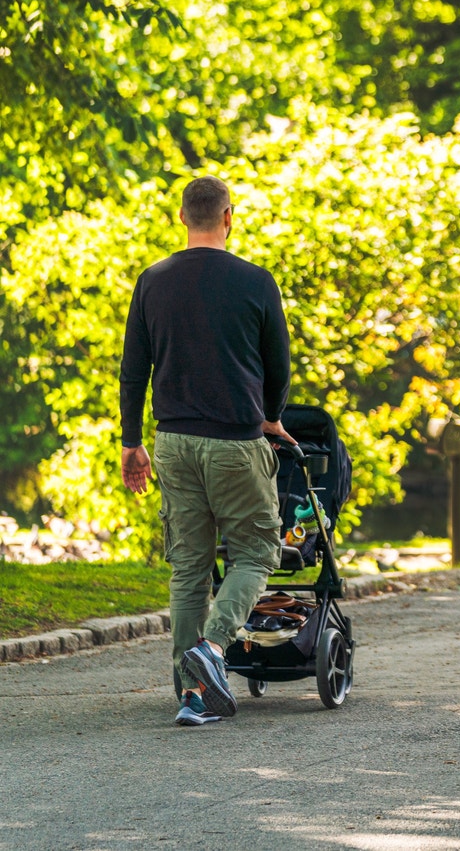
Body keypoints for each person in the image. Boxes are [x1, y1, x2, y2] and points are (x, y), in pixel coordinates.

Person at [119, 177, 296, 727]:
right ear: (229, 217)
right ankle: (214, 649)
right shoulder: (256, 281)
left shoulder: (153, 281)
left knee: (189, 566)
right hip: (234, 443)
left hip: (171, 441)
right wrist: (270, 416)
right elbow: (279, 367)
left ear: (180, 217)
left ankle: (192, 696)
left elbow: (133, 371)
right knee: (257, 551)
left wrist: (132, 442)